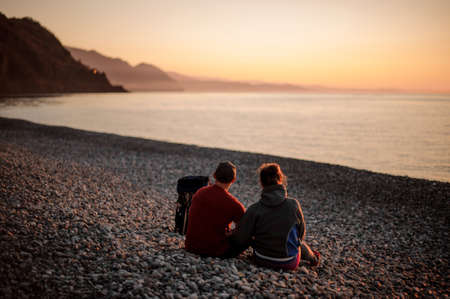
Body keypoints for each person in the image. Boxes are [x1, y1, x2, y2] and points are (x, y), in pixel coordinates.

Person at [230, 163, 320, 270]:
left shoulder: (255, 209)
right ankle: (314, 258)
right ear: (280, 179)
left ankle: (312, 257)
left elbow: (241, 239)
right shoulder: (293, 205)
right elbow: (301, 235)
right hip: (288, 262)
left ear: (261, 183)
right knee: (296, 240)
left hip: (261, 259)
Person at [185, 161, 246, 258]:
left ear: (214, 175)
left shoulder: (200, 192)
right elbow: (244, 229)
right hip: (215, 250)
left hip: (191, 246)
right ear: (233, 180)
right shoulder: (234, 204)